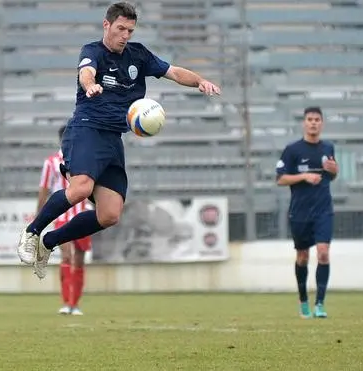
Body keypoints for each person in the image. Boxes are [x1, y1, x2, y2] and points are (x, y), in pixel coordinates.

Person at [16, 2, 221, 279]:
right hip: (86, 129)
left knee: (110, 215)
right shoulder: (92, 51)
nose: (125, 35)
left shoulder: (138, 55)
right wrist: (90, 86)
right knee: (80, 188)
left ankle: (48, 242)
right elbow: (85, 72)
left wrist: (199, 81)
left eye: (130, 30)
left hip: (113, 138)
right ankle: (31, 233)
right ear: (107, 25)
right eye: (121, 28)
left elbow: (173, 71)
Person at [276, 106, 338, 319]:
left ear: (322, 123)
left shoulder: (328, 147)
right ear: (304, 122)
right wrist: (304, 177)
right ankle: (303, 299)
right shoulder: (292, 150)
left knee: (323, 253)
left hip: (323, 210)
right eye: (310, 119)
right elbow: (280, 179)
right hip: (300, 212)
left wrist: (335, 170)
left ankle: (320, 304)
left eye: (317, 119)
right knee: (302, 257)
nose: (313, 123)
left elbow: (332, 175)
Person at [37, 125, 92, 315]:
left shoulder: (85, 159)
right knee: (67, 256)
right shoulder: (51, 162)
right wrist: (40, 217)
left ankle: (75, 304)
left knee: (79, 259)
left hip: (82, 214)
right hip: (62, 216)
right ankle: (66, 302)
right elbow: (44, 189)